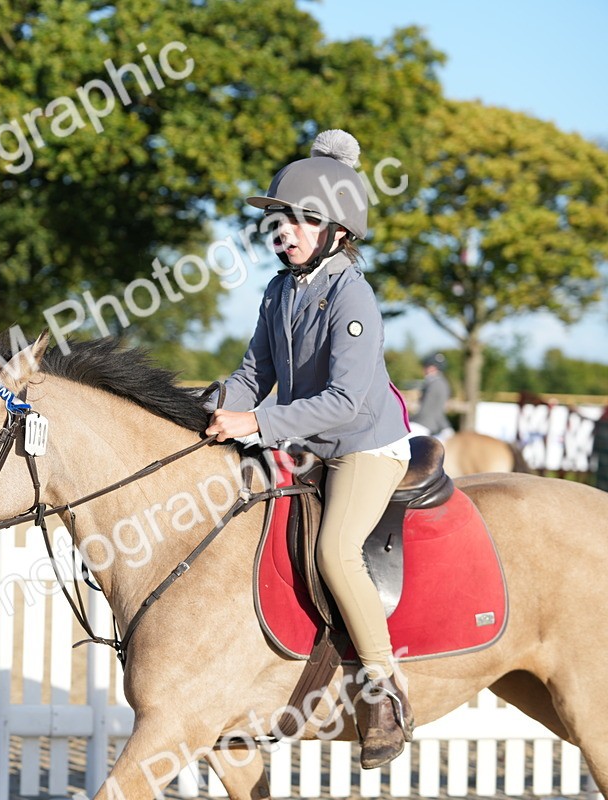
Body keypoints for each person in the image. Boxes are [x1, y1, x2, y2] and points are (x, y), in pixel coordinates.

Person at [203, 129, 414, 767]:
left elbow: (347, 404)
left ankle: (383, 690)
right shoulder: (278, 290)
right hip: (304, 441)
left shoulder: (352, 295)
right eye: (281, 217)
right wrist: (213, 405)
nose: (285, 230)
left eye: (304, 219)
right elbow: (251, 375)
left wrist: (256, 425)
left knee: (334, 548)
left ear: (339, 232)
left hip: (363, 446)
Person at [410, 353, 454, 439]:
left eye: (426, 366)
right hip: (430, 424)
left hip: (424, 424)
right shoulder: (440, 383)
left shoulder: (434, 384)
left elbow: (426, 409)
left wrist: (409, 419)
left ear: (433, 368)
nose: (424, 369)